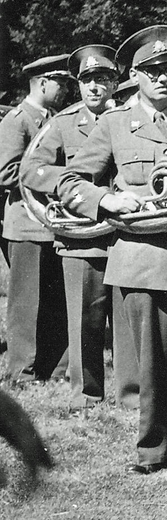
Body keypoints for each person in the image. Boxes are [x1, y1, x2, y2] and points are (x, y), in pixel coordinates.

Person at [59, 25, 167, 474]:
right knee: (148, 365)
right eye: (152, 70)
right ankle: (152, 451)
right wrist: (105, 199)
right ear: (135, 75)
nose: (163, 76)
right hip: (139, 259)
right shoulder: (113, 124)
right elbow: (69, 182)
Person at [21, 44, 137, 409]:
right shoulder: (64, 123)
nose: (94, 87)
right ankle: (86, 396)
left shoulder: (134, 117)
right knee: (84, 322)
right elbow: (31, 170)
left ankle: (133, 395)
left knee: (129, 321)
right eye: (87, 79)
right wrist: (81, 191)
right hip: (81, 238)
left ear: (115, 82)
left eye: (102, 78)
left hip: (128, 234)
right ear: (78, 85)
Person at [0, 54, 71, 383]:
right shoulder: (18, 120)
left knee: (55, 301)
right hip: (27, 223)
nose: (64, 89)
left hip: (52, 224)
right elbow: (6, 172)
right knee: (26, 306)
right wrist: (56, 179)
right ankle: (22, 372)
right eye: (60, 83)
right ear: (42, 83)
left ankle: (52, 367)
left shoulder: (54, 118)